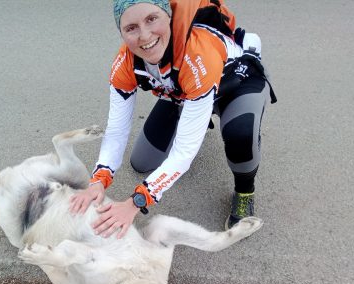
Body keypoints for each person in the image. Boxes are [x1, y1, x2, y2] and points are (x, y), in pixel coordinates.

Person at [69, 0, 275, 239]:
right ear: (122, 33)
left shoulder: (197, 53)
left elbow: (183, 153)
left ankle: (245, 190)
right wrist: (98, 181)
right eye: (131, 27)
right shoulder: (124, 62)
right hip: (183, 91)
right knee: (142, 162)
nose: (144, 36)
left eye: (151, 19)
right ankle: (195, 118)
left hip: (236, 84)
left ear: (169, 17)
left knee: (240, 134)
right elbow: (116, 131)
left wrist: (136, 201)